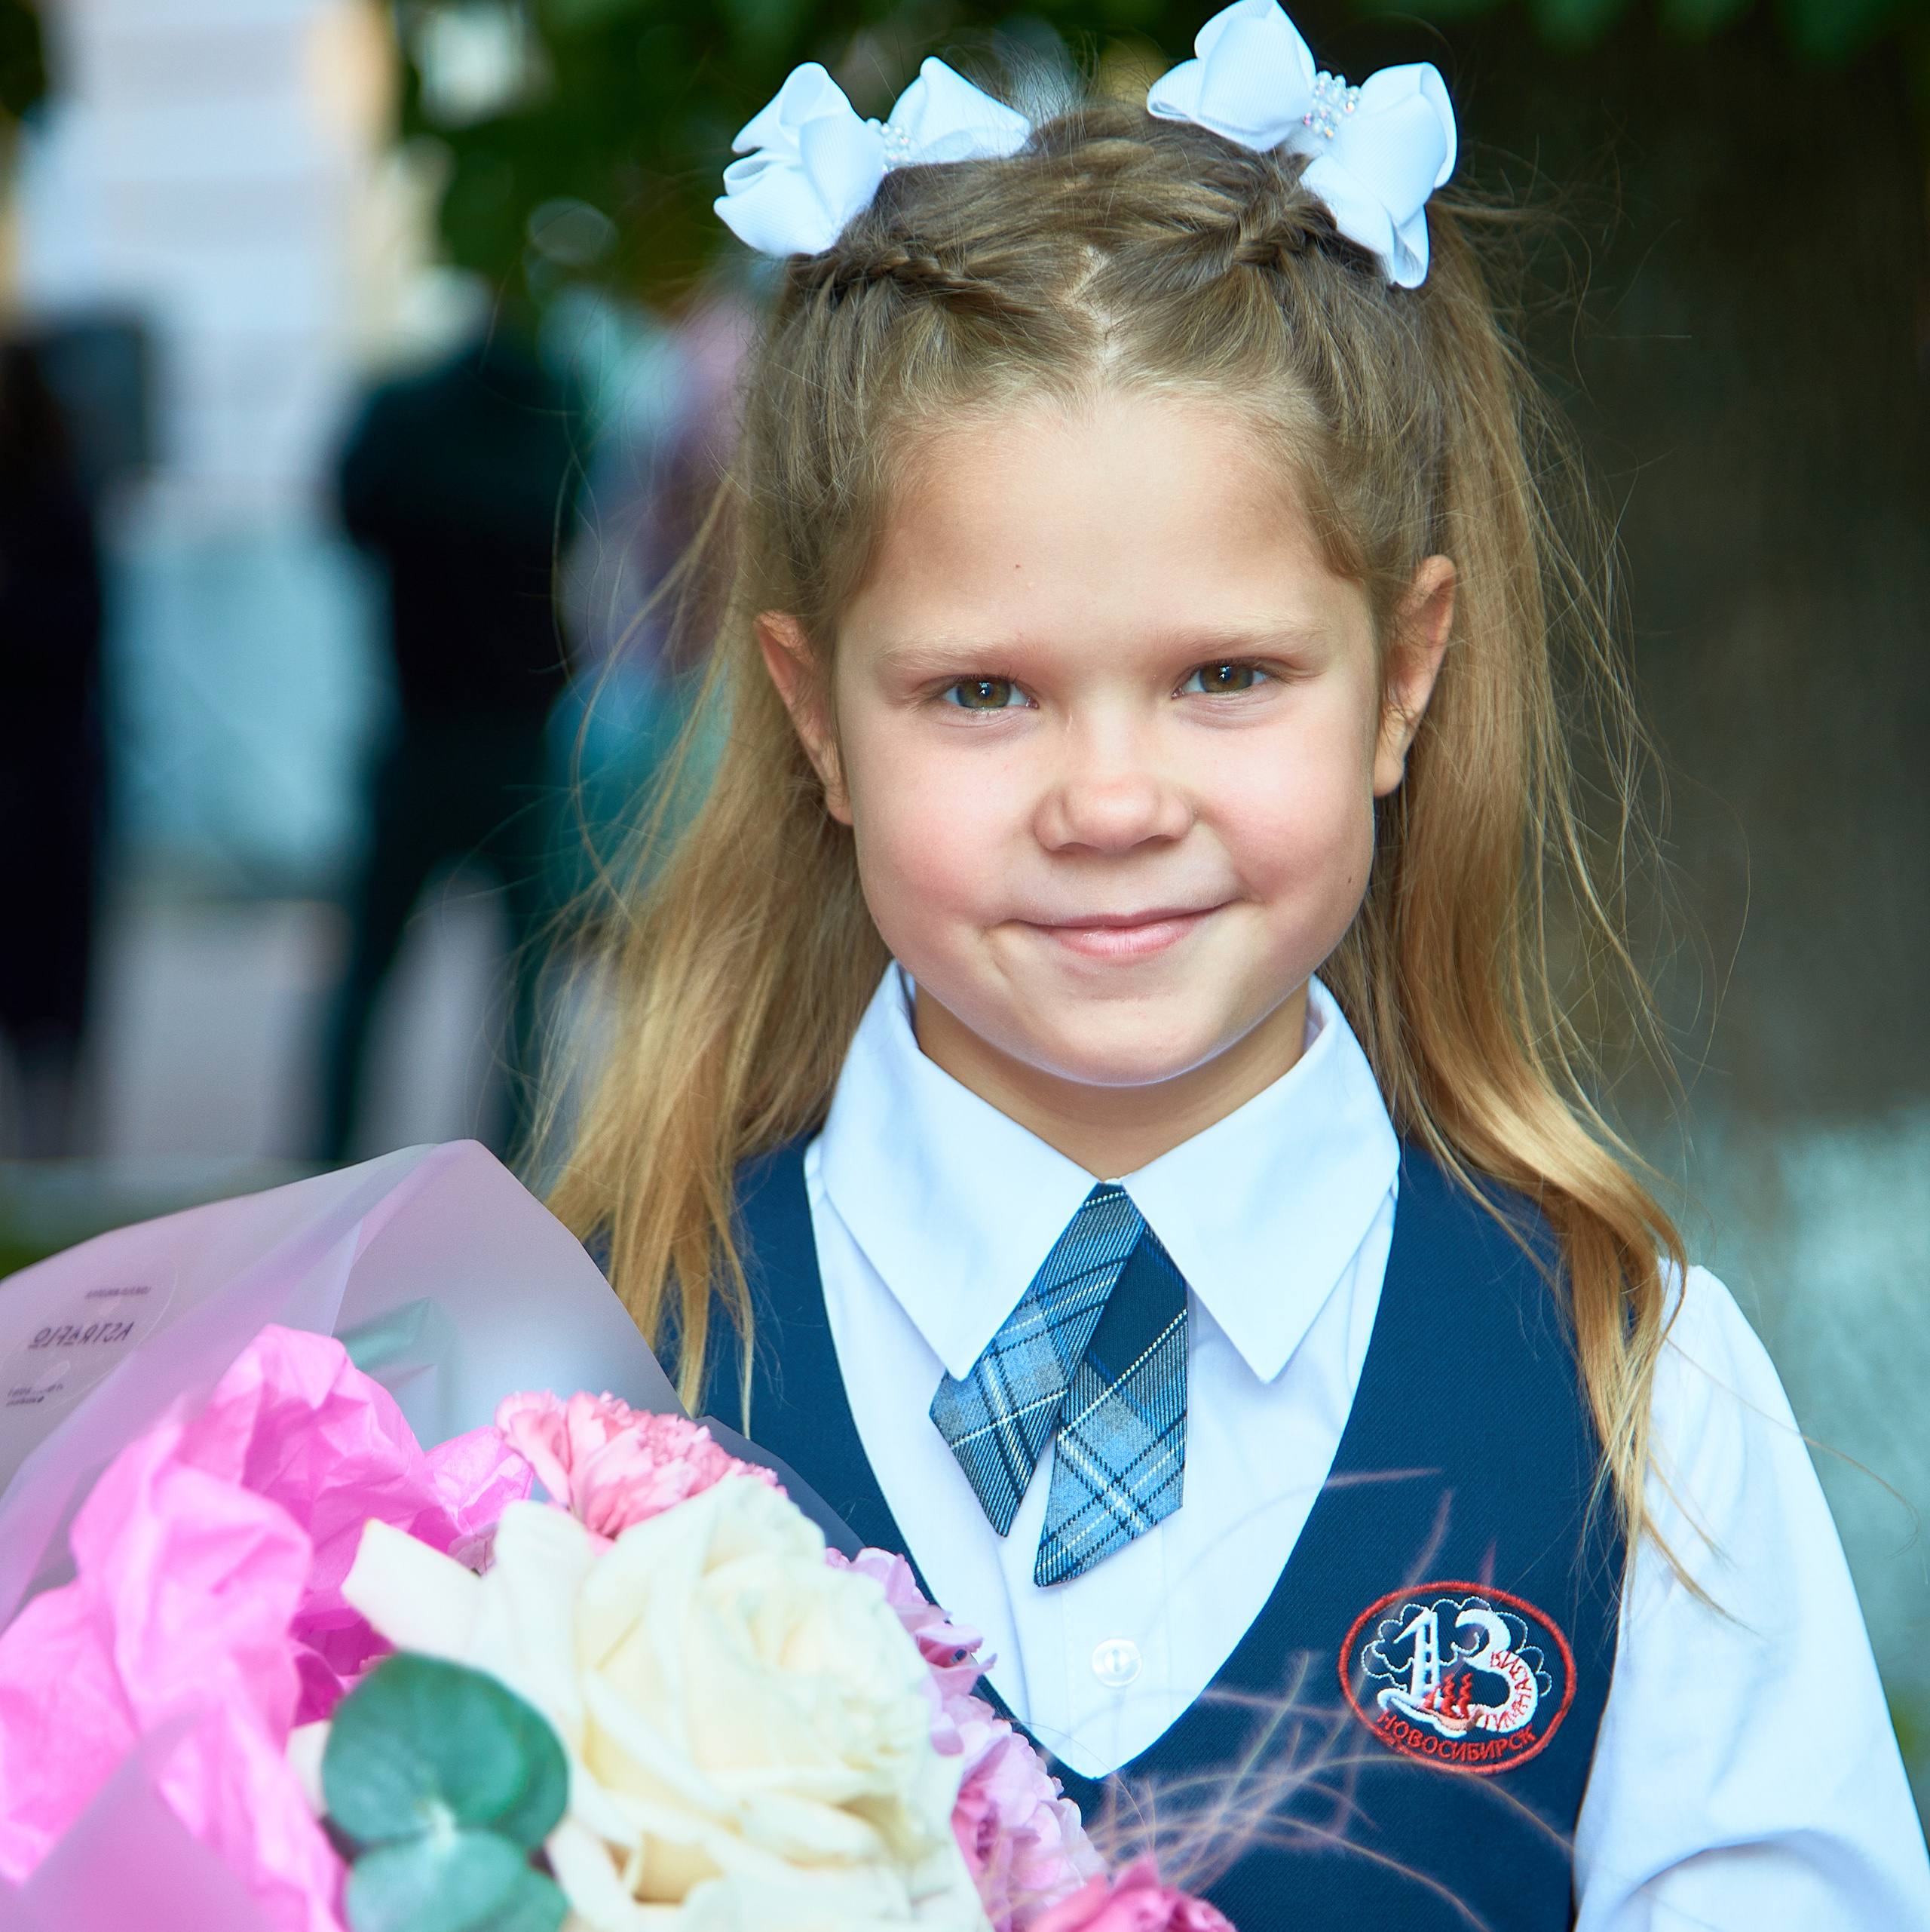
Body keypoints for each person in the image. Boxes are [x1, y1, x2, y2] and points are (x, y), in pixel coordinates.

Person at [544, 4, 1930, 1925]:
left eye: (1225, 676)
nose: (1109, 800)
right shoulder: (595, 1365)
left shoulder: (1635, 1395)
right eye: (980, 692)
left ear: (1403, 676)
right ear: (812, 714)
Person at [321, 318, 582, 1162]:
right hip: (509, 730)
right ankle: (508, 1175)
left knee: (370, 976)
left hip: (429, 722)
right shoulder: (554, 413)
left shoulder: (404, 414)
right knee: (521, 987)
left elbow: (350, 516)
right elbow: (568, 529)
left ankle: (328, 1161)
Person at [0, 339, 104, 1157]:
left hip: (46, 784)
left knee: (50, 984)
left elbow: (79, 639)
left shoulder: (60, 506)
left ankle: (53, 1151)